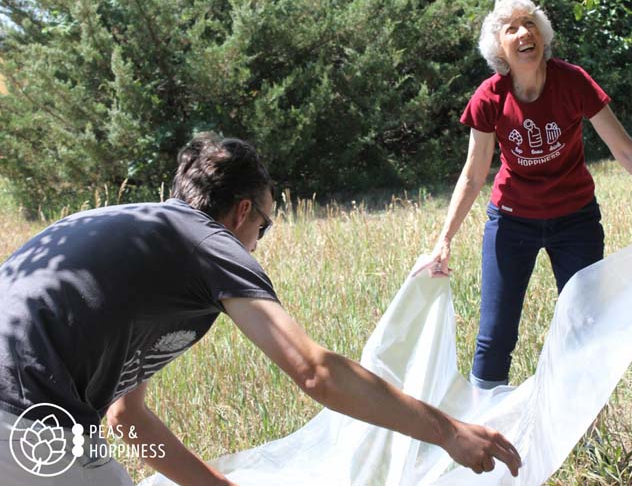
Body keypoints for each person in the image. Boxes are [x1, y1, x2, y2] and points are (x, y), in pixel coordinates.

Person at [0, 134, 521, 486]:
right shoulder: (206, 241)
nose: (257, 243)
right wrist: (448, 431)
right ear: (243, 210)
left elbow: (126, 415)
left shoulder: (145, 240)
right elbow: (316, 373)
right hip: (25, 416)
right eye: (264, 227)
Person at [430, 0, 632, 390]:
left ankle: (579, 427)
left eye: (531, 22)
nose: (524, 32)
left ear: (543, 34)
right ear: (499, 47)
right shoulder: (489, 97)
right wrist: (443, 240)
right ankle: (483, 431)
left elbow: (625, 148)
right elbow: (473, 174)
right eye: (512, 27)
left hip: (576, 221)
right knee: (495, 336)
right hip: (511, 221)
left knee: (585, 326)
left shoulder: (573, 81)